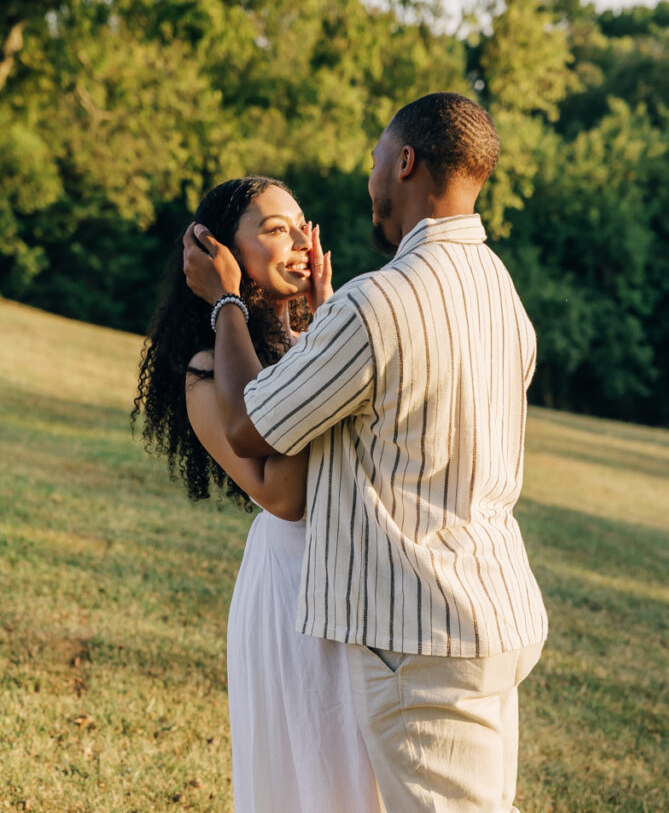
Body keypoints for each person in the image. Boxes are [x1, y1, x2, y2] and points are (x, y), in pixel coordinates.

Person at [182, 93, 548, 813]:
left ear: (405, 161)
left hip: (419, 631)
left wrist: (229, 302)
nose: (368, 177)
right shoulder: (498, 289)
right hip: (490, 612)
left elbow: (254, 425)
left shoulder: (374, 302)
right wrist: (315, 325)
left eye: (376, 159)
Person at [133, 176, 382, 813]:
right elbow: (283, 494)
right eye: (274, 229)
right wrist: (227, 305)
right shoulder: (204, 370)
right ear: (222, 255)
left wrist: (325, 332)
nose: (300, 241)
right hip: (293, 597)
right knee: (314, 783)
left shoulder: (316, 341)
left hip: (358, 590)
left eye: (302, 225)